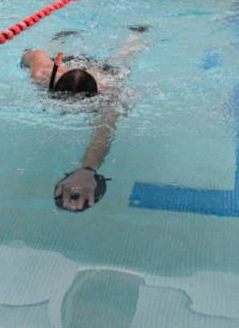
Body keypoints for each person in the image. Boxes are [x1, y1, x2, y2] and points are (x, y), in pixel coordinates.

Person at [21, 26, 148, 212]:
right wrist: (29, 61)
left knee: (121, 61)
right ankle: (134, 36)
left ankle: (136, 35)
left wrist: (88, 169)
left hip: (103, 73)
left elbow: (104, 130)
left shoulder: (109, 91)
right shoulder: (43, 74)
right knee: (119, 58)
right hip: (71, 66)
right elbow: (35, 52)